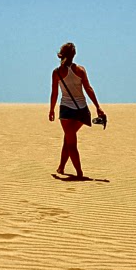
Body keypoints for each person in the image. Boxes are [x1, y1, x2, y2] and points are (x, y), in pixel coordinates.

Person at [48, 42, 105, 178]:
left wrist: (51, 109)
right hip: (82, 110)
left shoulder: (57, 72)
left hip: (66, 110)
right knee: (69, 138)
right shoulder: (80, 70)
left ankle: (79, 173)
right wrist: (97, 106)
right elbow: (88, 88)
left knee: (71, 142)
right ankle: (61, 167)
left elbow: (54, 93)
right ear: (74, 55)